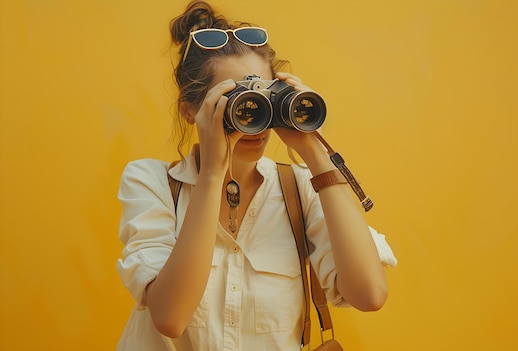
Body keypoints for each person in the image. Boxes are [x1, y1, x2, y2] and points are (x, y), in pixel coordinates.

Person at [116, 1, 397, 350]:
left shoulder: (299, 189)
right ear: (190, 110)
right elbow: (170, 317)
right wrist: (212, 176)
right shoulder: (151, 182)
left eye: (263, 97)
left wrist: (313, 151)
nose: (252, 114)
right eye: (236, 99)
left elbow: (369, 294)